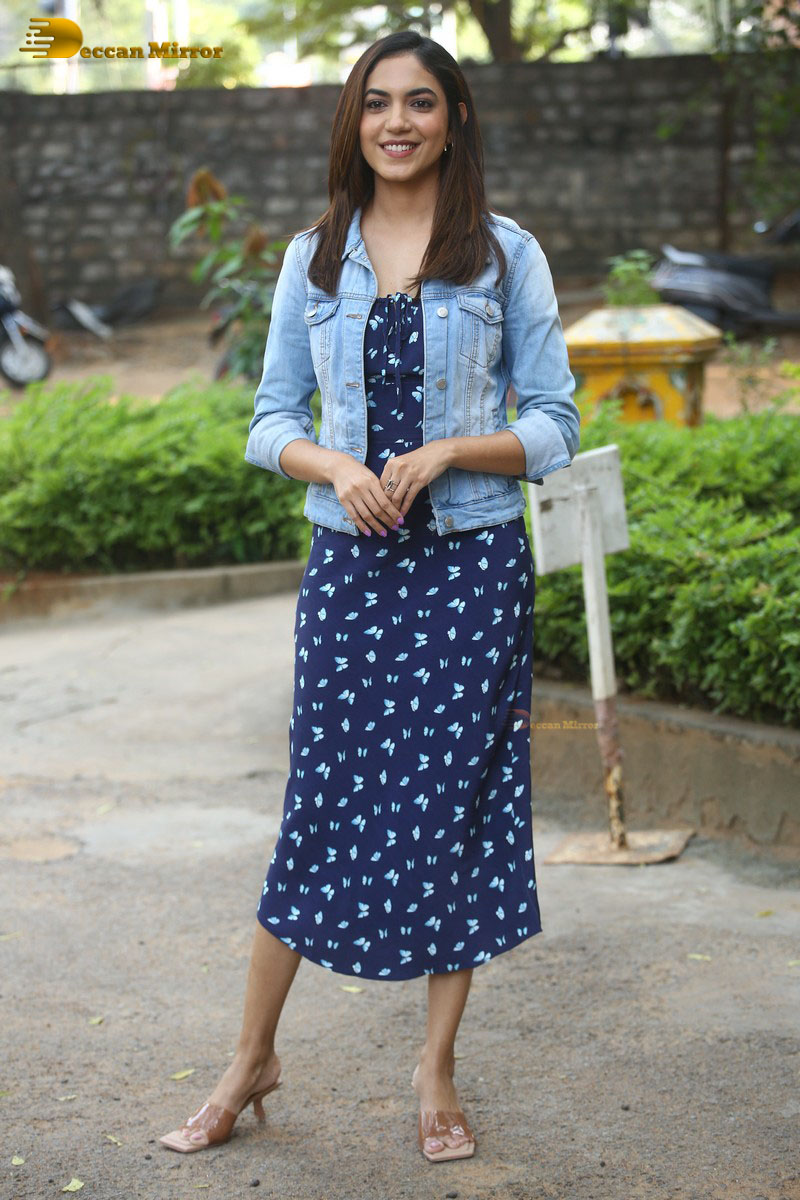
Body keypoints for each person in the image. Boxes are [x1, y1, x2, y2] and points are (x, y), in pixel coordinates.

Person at [160, 29, 579, 1164]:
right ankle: (250, 1059)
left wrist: (450, 452)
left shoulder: (505, 255)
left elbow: (555, 422)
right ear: (354, 121)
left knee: (453, 810)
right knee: (322, 805)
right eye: (378, 103)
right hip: (351, 573)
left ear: (454, 120)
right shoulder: (315, 256)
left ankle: (435, 1069)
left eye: (421, 103)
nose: (398, 122)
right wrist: (337, 469)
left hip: (471, 569)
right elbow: (269, 423)